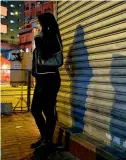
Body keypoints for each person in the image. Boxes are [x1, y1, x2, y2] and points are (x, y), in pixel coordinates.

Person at [31, 12, 62, 152]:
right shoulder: (44, 36)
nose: (37, 26)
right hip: (41, 80)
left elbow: (44, 55)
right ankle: (44, 137)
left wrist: (37, 37)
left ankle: (48, 141)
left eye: (39, 23)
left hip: (50, 80)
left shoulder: (52, 36)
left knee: (49, 111)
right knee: (36, 109)